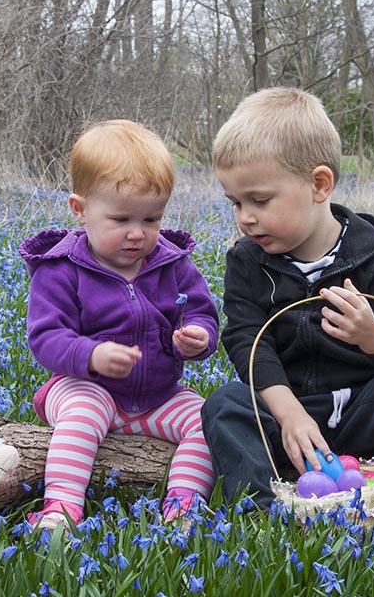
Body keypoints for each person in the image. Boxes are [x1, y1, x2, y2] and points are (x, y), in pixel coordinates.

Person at [200, 88, 374, 511]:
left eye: (259, 200)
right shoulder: (247, 260)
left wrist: (373, 336)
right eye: (235, 203)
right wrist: (289, 414)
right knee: (225, 403)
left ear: (319, 184)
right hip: (287, 421)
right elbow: (246, 342)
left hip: (363, 416)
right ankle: (260, 512)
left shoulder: (371, 251)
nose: (245, 217)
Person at [19, 119, 219, 530]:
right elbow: (45, 338)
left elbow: (200, 312)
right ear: (80, 209)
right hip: (83, 387)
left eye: (151, 220)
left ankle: (183, 505)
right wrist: (89, 355)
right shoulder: (61, 270)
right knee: (84, 411)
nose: (137, 234)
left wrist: (199, 337)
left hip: (158, 396)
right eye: (122, 219)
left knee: (208, 419)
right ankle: (61, 507)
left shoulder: (173, 264)